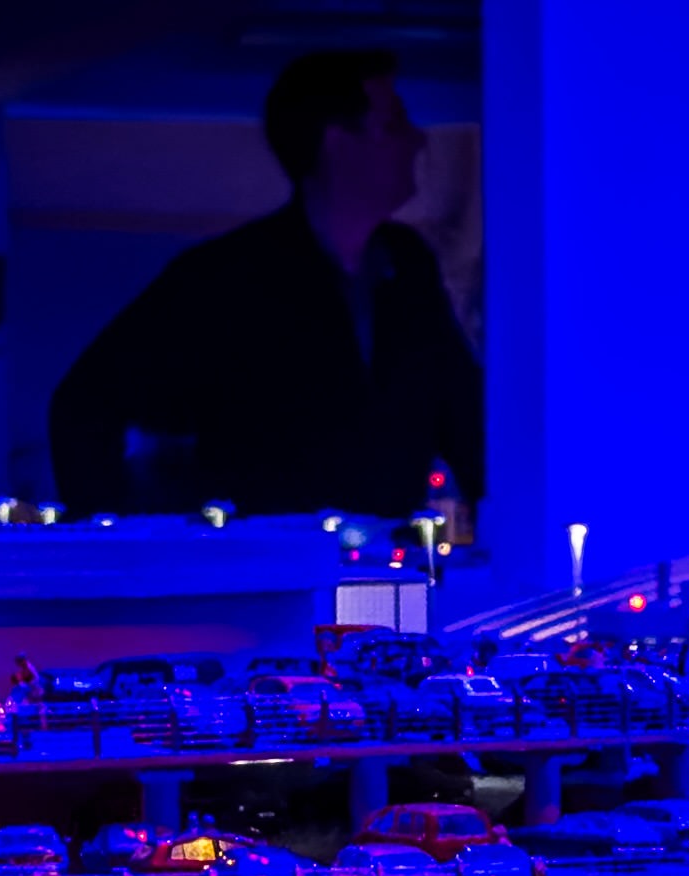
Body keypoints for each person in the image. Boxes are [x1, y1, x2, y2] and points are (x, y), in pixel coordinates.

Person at [40, 48, 478, 525]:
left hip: (380, 557)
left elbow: (462, 412)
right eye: (393, 125)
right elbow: (85, 403)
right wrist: (118, 543)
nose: (417, 140)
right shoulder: (228, 278)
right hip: (267, 562)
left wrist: (517, 528)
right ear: (337, 144)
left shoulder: (406, 264)